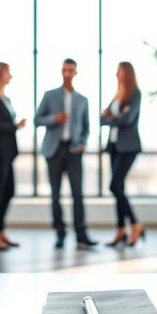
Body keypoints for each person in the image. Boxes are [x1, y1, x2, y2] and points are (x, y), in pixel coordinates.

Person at [35, 58, 97, 250]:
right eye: (65, 70)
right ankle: (60, 233)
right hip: (53, 150)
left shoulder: (83, 100)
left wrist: (83, 143)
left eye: (71, 71)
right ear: (61, 72)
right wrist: (55, 118)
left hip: (74, 151)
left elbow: (87, 128)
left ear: (75, 73)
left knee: (77, 194)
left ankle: (81, 233)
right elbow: (37, 120)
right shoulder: (49, 95)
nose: (68, 74)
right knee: (55, 195)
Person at [0, 62, 26, 252]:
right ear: (0, 74)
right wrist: (16, 126)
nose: (11, 76)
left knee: (9, 191)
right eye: (8, 73)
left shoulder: (5, 98)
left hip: (8, 152)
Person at [101, 61, 145, 248]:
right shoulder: (117, 96)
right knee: (119, 189)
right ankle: (120, 229)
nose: (117, 74)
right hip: (114, 146)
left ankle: (135, 224)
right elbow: (101, 118)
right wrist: (111, 118)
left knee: (114, 186)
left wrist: (111, 118)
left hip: (129, 147)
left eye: (120, 71)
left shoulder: (135, 94)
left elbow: (127, 120)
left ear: (127, 74)